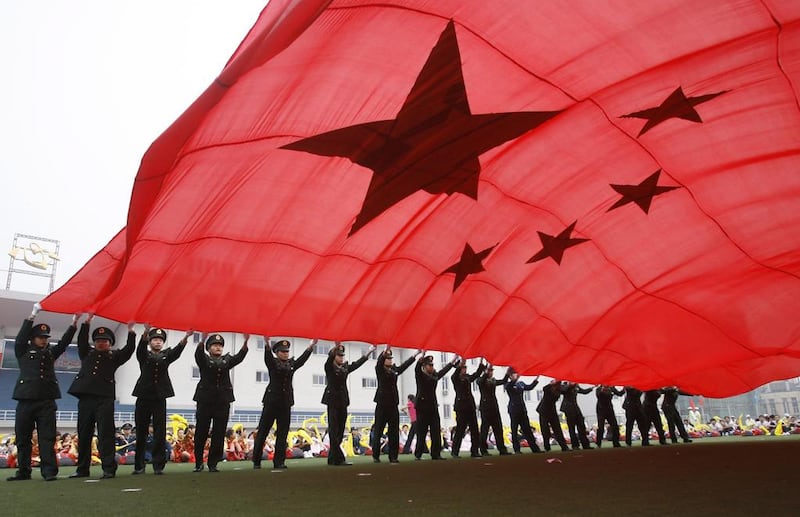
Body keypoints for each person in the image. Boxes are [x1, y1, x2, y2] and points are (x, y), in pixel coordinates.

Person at [8, 303, 78, 482]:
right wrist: (31, 316)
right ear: (33, 338)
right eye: (40, 337)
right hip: (26, 400)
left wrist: (74, 324)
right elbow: (20, 339)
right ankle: (23, 472)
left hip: (46, 401)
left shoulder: (50, 354)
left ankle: (49, 472)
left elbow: (63, 344)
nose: (44, 340)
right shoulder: (23, 351)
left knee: (47, 438)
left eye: (46, 338)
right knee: (23, 438)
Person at [68, 315, 136, 479]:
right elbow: (82, 341)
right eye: (98, 340)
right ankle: (82, 469)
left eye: (105, 341)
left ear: (110, 343)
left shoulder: (114, 356)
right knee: (84, 434)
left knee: (106, 434)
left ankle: (108, 469)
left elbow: (129, 350)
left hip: (104, 399)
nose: (101, 343)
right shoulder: (87, 353)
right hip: (85, 399)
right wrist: (86, 323)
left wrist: (131, 331)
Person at [131, 327, 191, 475]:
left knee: (160, 431)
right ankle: (139, 466)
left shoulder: (166, 355)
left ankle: (158, 465)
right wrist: (145, 332)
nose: (158, 342)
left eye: (160, 340)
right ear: (150, 341)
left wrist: (186, 337)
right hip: (143, 395)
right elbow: (139, 350)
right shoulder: (144, 355)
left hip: (160, 397)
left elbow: (177, 351)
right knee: (141, 431)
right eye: (155, 339)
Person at [252, 338, 316, 470]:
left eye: (287, 351)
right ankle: (256, 460)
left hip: (285, 403)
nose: (286, 354)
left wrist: (310, 347)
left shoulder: (291, 364)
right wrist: (266, 344)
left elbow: (302, 360)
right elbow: (267, 358)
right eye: (282, 351)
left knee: (282, 433)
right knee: (263, 432)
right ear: (276, 352)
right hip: (271, 402)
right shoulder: (273, 363)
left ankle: (279, 461)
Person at [192, 333, 249, 472]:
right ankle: (199, 462)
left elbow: (239, 357)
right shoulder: (204, 359)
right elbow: (198, 355)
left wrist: (245, 342)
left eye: (220, 345)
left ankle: (213, 463)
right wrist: (202, 340)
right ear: (209, 348)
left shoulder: (226, 360)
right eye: (215, 345)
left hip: (222, 401)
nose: (218, 347)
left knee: (219, 433)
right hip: (205, 400)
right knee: (201, 432)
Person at [322, 342, 374, 466]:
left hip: (343, 401)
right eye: (339, 355)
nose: (341, 358)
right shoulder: (329, 367)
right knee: (334, 430)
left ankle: (332, 458)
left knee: (340, 431)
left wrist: (368, 353)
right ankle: (339, 458)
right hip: (333, 402)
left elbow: (356, 364)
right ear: (334, 356)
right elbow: (329, 361)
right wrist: (334, 349)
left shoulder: (344, 368)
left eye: (342, 355)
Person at [371, 344, 418, 463]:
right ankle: (376, 455)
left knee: (393, 431)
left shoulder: (394, 370)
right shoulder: (380, 369)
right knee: (378, 430)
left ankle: (393, 456)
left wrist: (415, 355)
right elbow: (379, 362)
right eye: (388, 358)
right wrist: (385, 350)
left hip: (393, 404)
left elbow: (404, 366)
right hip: (382, 404)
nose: (390, 360)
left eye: (391, 359)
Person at [414, 354, 456, 460]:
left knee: (436, 431)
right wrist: (420, 359)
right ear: (424, 366)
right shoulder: (421, 375)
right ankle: (418, 454)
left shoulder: (434, 376)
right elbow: (417, 369)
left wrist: (452, 362)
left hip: (432, 406)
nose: (431, 367)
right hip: (422, 407)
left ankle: (436, 453)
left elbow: (443, 371)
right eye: (429, 365)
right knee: (421, 432)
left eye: (432, 365)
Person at [450, 358, 485, 458]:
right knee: (460, 430)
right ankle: (455, 452)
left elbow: (477, 374)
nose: (464, 369)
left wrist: (481, 364)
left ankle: (474, 451)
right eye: (462, 368)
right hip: (461, 408)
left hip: (470, 406)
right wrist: (460, 364)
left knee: (474, 430)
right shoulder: (455, 378)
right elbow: (455, 375)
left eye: (465, 367)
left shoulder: (467, 378)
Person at [505, 369, 543, 454]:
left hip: (522, 410)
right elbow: (509, 387)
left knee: (527, 430)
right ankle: (517, 449)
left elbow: (529, 387)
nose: (516, 375)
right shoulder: (508, 384)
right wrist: (515, 378)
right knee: (514, 430)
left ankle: (535, 448)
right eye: (514, 374)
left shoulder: (521, 384)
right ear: (510, 376)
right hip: (514, 410)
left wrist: (536, 379)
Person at [477, 362, 510, 456]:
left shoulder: (493, 381)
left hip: (494, 408)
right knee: (485, 430)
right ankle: (483, 450)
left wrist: (507, 373)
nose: (491, 372)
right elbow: (480, 381)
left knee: (498, 429)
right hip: (485, 408)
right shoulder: (481, 380)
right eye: (489, 371)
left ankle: (502, 449)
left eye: (491, 371)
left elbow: (503, 381)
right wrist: (486, 371)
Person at [536, 379, 570, 452]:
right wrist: (551, 384)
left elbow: (566, 388)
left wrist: (571, 383)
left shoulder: (559, 389)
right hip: (544, 411)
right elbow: (544, 388)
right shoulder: (548, 389)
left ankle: (564, 446)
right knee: (545, 430)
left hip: (552, 411)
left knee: (557, 429)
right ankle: (547, 447)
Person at [560, 382, 594, 450]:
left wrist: (591, 388)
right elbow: (563, 391)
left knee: (581, 425)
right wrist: (570, 385)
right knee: (572, 427)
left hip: (575, 407)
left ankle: (585, 444)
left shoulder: (576, 386)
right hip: (568, 408)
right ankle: (575, 445)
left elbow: (583, 391)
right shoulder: (565, 385)